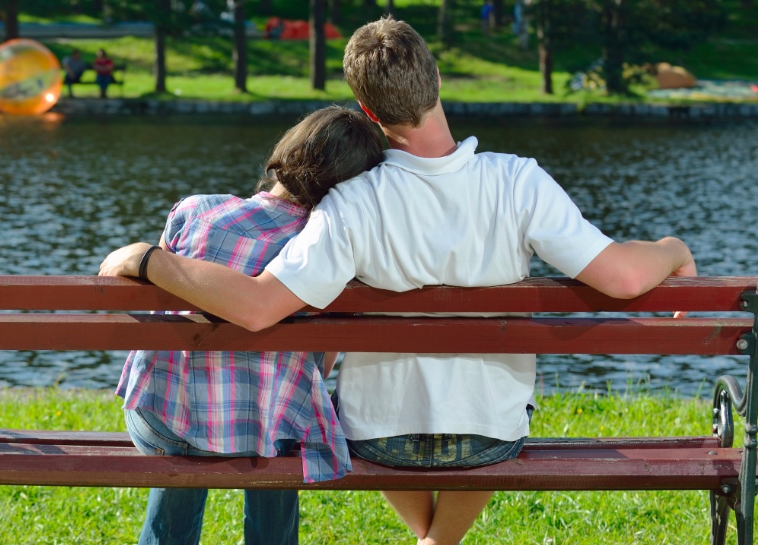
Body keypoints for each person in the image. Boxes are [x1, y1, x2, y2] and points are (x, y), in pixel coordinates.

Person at [100, 16, 697, 545]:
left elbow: (258, 307)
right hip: (488, 438)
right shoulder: (519, 181)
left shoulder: (351, 200)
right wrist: (672, 249)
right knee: (498, 409)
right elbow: (621, 277)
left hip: (378, 440)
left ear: (367, 109)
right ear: (436, 81)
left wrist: (152, 260)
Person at [117, 106, 384, 545]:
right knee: (284, 412)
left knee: (184, 414)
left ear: (287, 151)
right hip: (272, 432)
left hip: (166, 420)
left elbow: (162, 313)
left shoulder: (194, 212)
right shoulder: (328, 253)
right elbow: (324, 366)